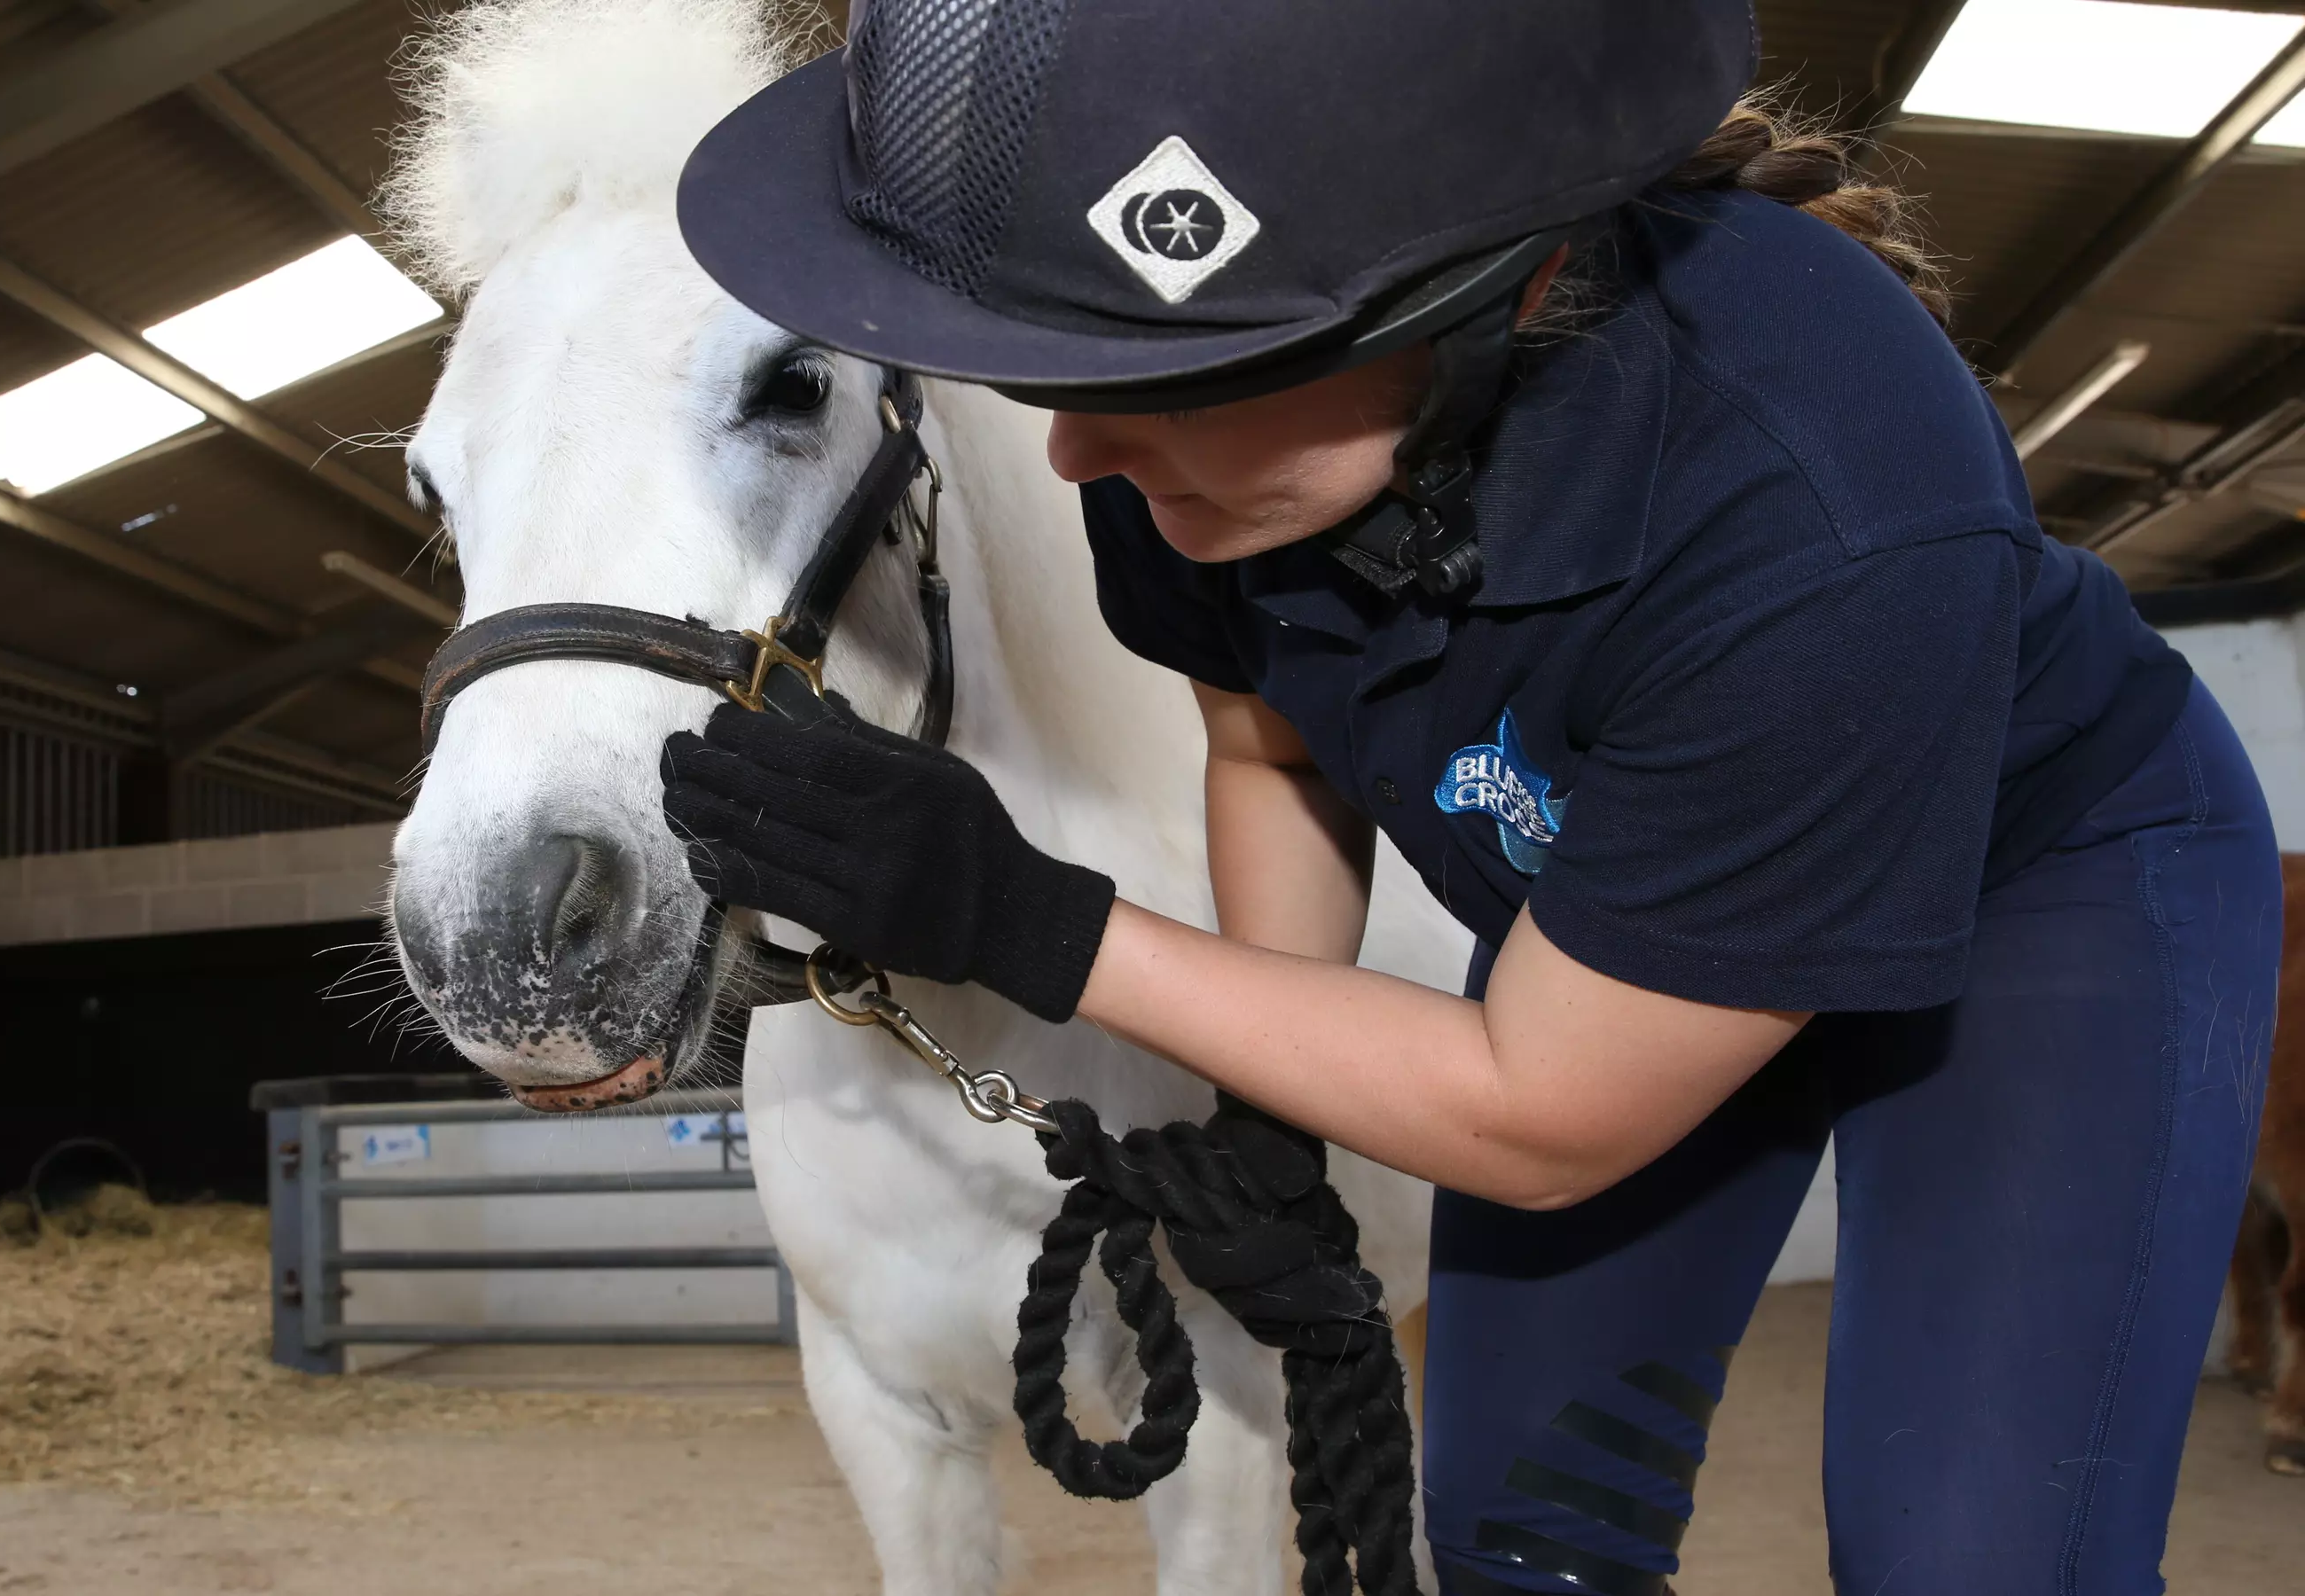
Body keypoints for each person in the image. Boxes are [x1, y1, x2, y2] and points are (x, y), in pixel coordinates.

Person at [658, 2, 2281, 1590]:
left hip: (2042, 899)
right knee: (1515, 1531)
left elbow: (1544, 1114)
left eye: (1141, 381)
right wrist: (1276, 1115)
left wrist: (1016, 913)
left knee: (1977, 1560)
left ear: (1463, 303)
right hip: (1628, 915)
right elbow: (1269, 745)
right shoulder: (1197, 434)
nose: (1078, 457)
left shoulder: (1832, 511)